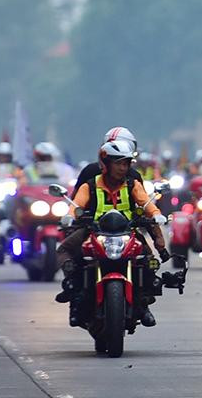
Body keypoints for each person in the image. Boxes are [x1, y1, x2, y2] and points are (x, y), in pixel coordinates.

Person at [54, 138, 168, 326]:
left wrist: (156, 215)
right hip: (94, 230)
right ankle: (73, 289)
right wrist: (69, 216)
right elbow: (77, 204)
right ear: (105, 164)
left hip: (127, 231)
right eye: (118, 163)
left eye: (126, 163)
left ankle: (144, 304)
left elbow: (146, 203)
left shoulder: (133, 185)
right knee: (64, 250)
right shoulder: (90, 185)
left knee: (149, 261)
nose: (122, 168)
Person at [72, 127, 143, 198]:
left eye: (124, 163)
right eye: (117, 162)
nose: (121, 168)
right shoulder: (89, 171)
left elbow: (144, 204)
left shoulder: (134, 177)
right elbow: (75, 202)